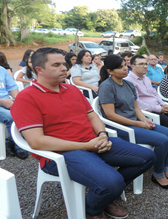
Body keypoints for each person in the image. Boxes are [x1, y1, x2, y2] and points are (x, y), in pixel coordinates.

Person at [11, 47, 155, 219]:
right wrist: (86, 146)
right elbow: (37, 142)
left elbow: (92, 115)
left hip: (93, 142)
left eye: (63, 64)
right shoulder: (27, 98)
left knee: (147, 157)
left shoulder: (71, 89)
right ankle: (92, 210)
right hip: (61, 154)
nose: (64, 68)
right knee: (112, 182)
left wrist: (102, 135)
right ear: (39, 69)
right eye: (56, 65)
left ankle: (104, 195)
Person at [98, 55, 168, 190]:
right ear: (110, 71)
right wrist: (138, 124)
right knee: (162, 140)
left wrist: (145, 120)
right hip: (120, 127)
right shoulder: (107, 86)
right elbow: (110, 115)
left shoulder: (129, 84)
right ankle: (158, 174)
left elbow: (136, 107)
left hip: (135, 122)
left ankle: (164, 168)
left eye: (125, 65)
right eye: (120, 67)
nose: (125, 69)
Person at [125, 55, 168, 154]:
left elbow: (154, 92)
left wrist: (163, 104)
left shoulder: (145, 78)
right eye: (141, 64)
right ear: (132, 66)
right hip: (148, 112)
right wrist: (159, 109)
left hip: (159, 107)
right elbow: (138, 103)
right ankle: (165, 144)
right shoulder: (129, 81)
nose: (145, 66)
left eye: (146, 64)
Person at [0, 41, 28, 159]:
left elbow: (12, 88)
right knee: (11, 117)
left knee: (29, 112)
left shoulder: (0, 70)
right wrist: (1, 101)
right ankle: (20, 145)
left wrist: (18, 101)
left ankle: (9, 141)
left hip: (6, 102)